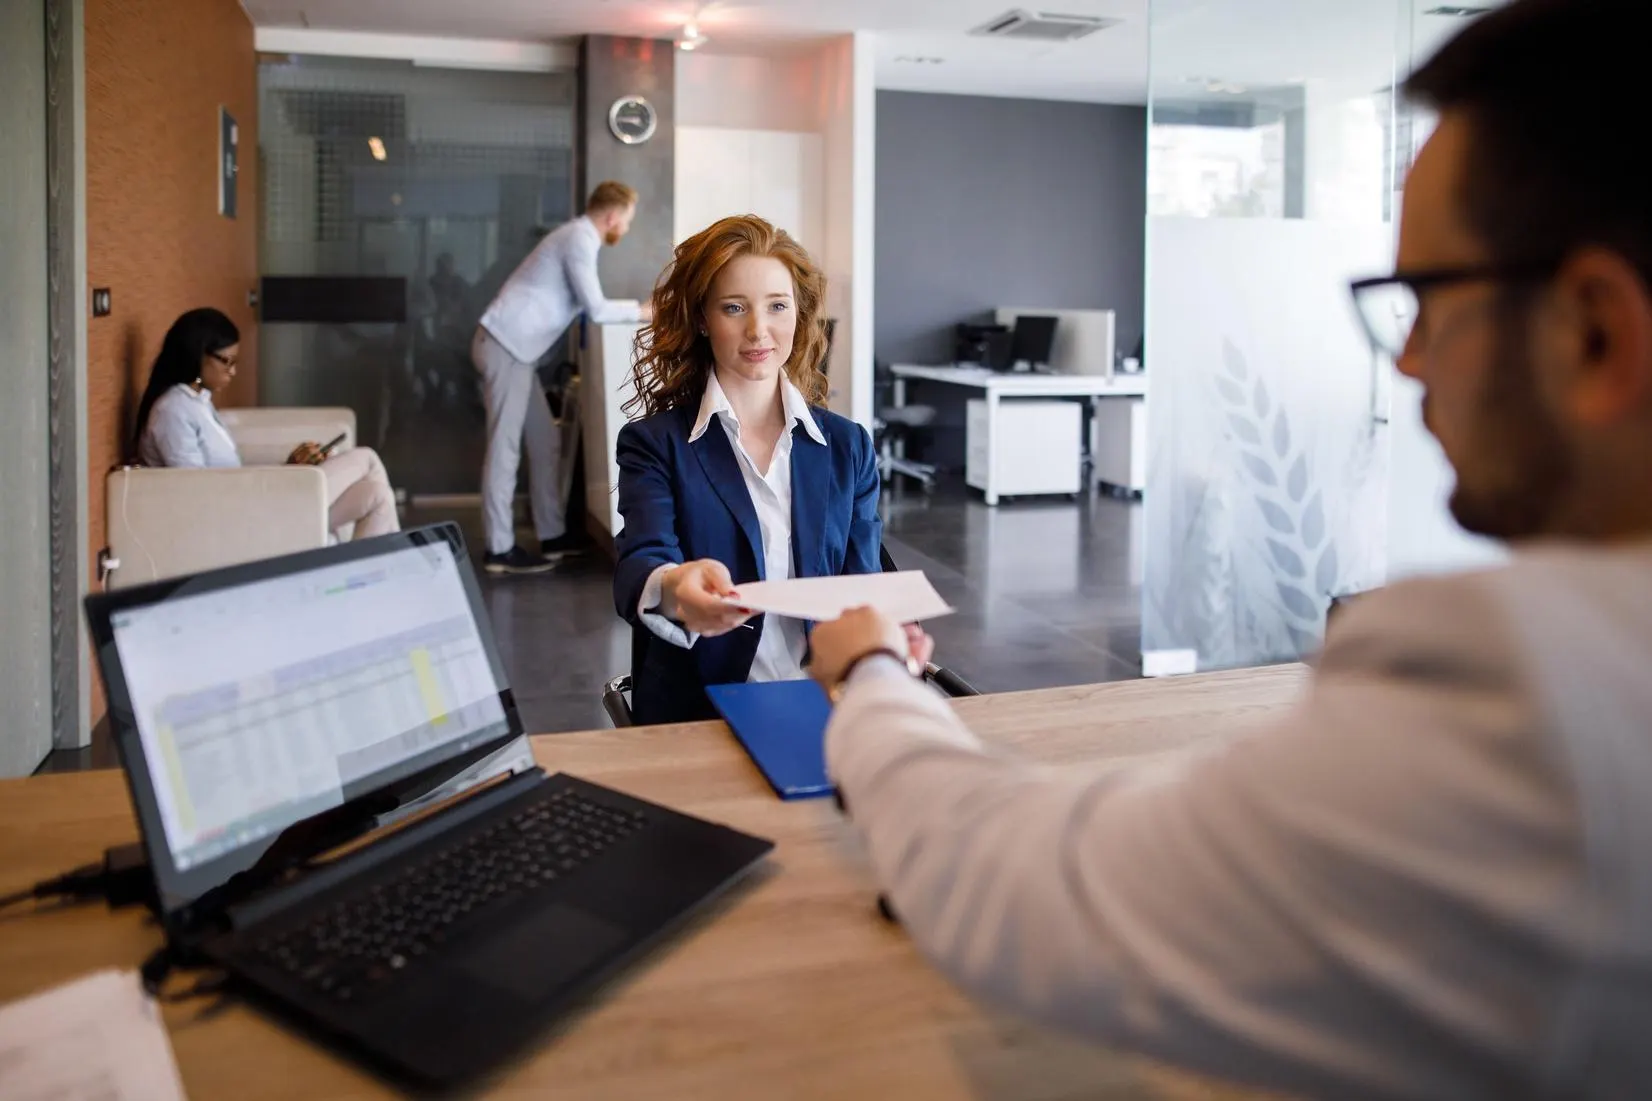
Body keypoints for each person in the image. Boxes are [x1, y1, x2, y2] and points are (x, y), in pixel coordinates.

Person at [809, 1, 1652, 1097]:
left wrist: (872, 674)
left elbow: (1018, 894)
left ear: (1591, 328)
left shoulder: (1534, 689)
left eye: (1423, 303)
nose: (1404, 368)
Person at [613, 215, 883, 726]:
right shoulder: (655, 445)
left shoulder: (848, 448)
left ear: (800, 315)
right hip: (700, 713)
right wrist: (675, 587)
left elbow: (861, 584)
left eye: (777, 306)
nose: (759, 330)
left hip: (823, 706)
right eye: (734, 308)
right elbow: (639, 563)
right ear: (701, 319)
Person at [472, 181, 654, 575]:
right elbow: (596, 308)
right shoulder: (579, 239)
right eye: (625, 222)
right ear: (612, 217)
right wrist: (643, 312)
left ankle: (552, 536)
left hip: (518, 353)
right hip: (505, 346)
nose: (624, 230)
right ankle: (498, 549)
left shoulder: (577, 238)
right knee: (505, 448)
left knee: (545, 440)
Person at [134, 308, 400, 543]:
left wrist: (288, 470)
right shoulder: (173, 411)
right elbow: (196, 491)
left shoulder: (197, 401)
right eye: (226, 361)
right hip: (244, 515)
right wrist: (281, 479)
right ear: (196, 355)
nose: (233, 372)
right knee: (367, 458)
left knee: (376, 495)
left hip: (255, 502)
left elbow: (225, 472)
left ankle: (368, 584)